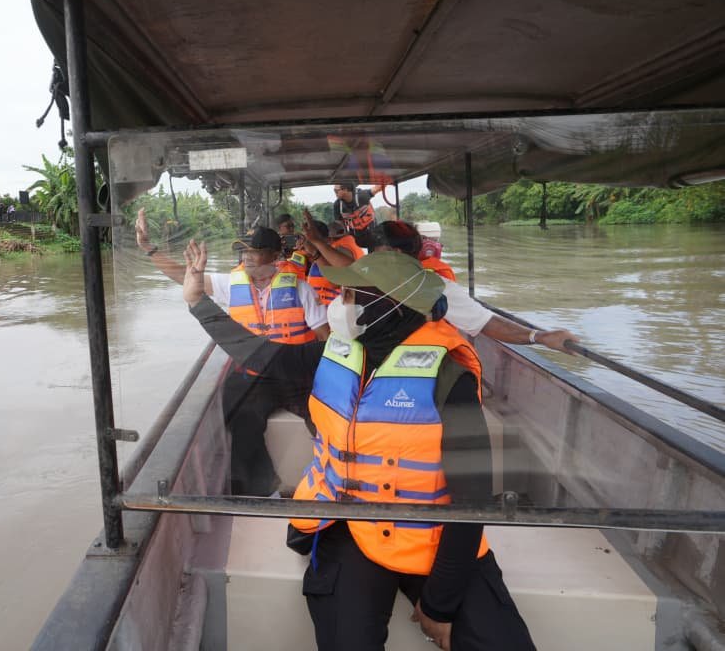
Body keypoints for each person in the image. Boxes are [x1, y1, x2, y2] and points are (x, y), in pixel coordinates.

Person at [181, 243, 536, 651]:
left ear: (389, 307)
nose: (340, 302)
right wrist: (197, 302)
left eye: (352, 295)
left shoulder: (448, 378)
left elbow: (472, 502)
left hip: (434, 534)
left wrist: (439, 605)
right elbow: (261, 355)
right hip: (347, 523)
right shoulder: (334, 353)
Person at [136, 208, 328, 495]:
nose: (247, 257)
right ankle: (262, 487)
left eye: (255, 252)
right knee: (240, 417)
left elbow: (325, 339)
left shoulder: (300, 288)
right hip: (256, 376)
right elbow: (186, 278)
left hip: (296, 373)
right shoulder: (230, 284)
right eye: (243, 252)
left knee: (326, 416)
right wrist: (150, 249)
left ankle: (330, 478)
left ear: (276, 256)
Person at [325, 219, 579, 353]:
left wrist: (540, 337)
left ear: (392, 253)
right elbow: (486, 323)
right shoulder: (431, 286)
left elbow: (484, 322)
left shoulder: (358, 279)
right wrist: (540, 337)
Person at [333, 180, 383, 247]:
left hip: (373, 234)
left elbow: (377, 188)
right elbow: (339, 224)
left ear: (345, 190)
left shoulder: (362, 196)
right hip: (356, 237)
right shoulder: (337, 205)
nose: (335, 193)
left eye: (336, 191)